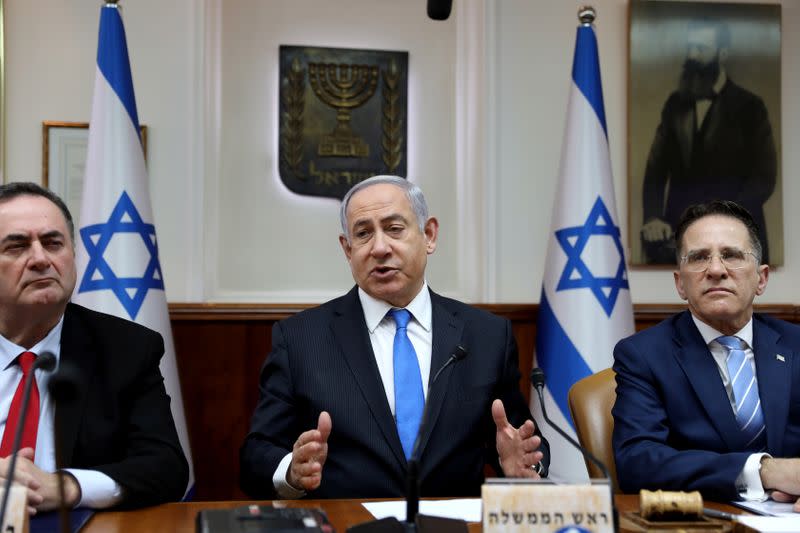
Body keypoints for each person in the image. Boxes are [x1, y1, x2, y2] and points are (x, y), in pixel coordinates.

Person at [240, 175, 550, 498]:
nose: (379, 248)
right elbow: (254, 458)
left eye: (394, 228)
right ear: (348, 250)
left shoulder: (486, 337)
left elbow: (524, 443)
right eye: (363, 234)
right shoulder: (301, 340)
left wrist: (521, 466)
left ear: (429, 235)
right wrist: (292, 469)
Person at [0, 182, 188, 512]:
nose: (41, 259)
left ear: (73, 254)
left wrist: (67, 486)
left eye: (53, 243)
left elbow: (165, 467)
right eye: (16, 247)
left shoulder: (126, 348)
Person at [613, 200, 800, 510]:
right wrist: (766, 471)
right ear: (680, 283)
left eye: (732, 255)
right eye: (699, 257)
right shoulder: (643, 355)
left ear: (762, 278)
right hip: (703, 521)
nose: (716, 270)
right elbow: (637, 462)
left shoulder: (795, 345)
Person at [640, 18, 777, 264]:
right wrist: (652, 217)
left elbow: (763, 179)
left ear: (722, 54)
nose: (692, 55)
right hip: (680, 239)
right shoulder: (675, 105)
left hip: (737, 243)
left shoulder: (751, 107)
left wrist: (723, 224)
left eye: (701, 49)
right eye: (690, 47)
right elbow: (655, 169)